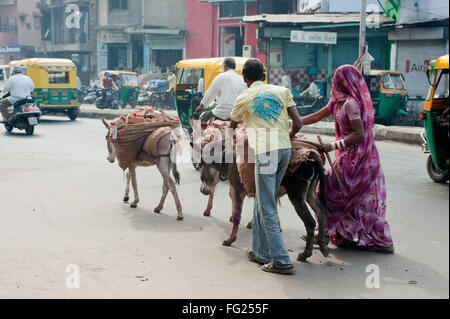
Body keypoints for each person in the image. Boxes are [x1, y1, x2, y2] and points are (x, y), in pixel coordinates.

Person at [301, 64, 394, 253]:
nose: (334, 81)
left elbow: (359, 134)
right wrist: (294, 120)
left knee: (329, 192)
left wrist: (333, 145)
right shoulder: (337, 101)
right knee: (339, 195)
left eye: (337, 77)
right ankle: (330, 232)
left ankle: (378, 239)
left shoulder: (351, 104)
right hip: (347, 156)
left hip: (361, 158)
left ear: (344, 81)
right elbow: (317, 116)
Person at [230, 58, 303, 275]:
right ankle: (259, 251)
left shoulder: (244, 96)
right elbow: (297, 123)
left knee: (267, 206)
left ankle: (281, 260)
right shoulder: (282, 91)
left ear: (244, 78)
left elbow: (233, 125)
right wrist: (285, 138)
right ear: (264, 75)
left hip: (265, 153)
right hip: (285, 150)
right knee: (263, 199)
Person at [195, 57, 247, 122]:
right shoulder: (241, 79)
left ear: (225, 66)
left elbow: (210, 93)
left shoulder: (221, 77)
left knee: (203, 119)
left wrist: (202, 105)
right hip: (238, 114)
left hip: (222, 113)